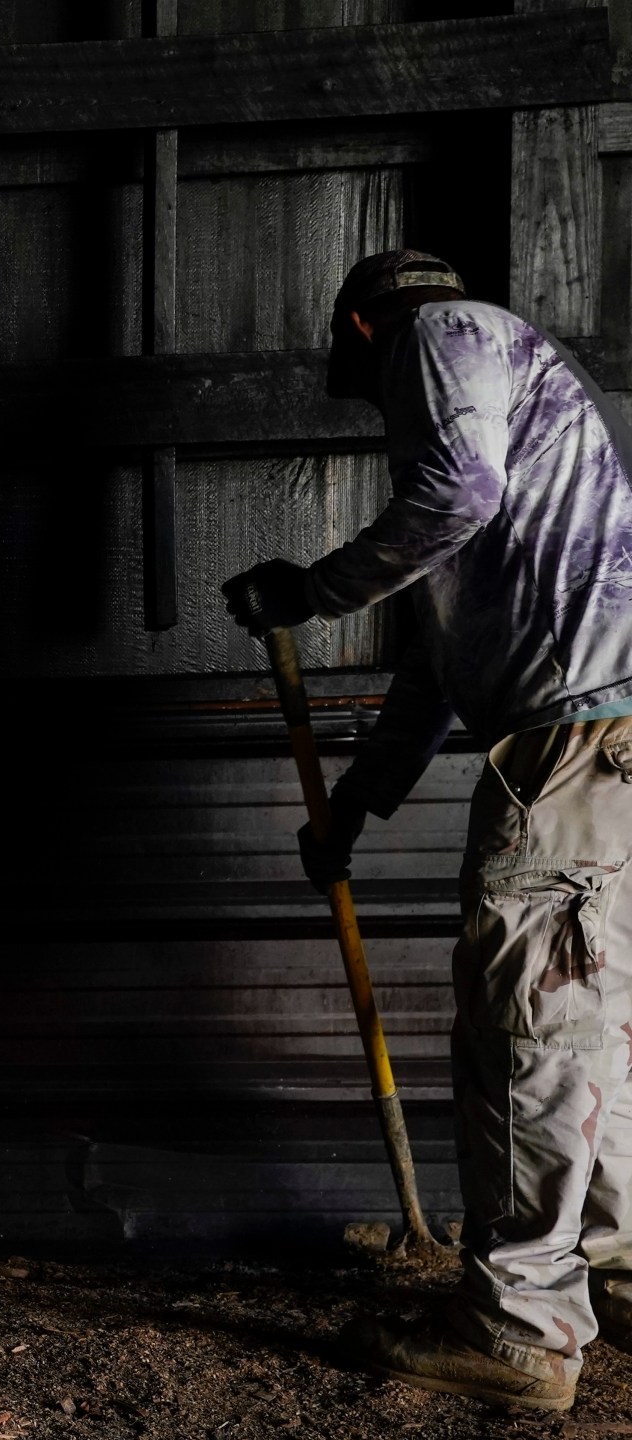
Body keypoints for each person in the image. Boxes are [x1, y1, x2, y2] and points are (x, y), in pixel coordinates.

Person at [224, 249, 632, 1412]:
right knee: (594, 1031)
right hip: (610, 748)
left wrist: (312, 589)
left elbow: (456, 494)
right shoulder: (518, 415)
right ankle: (610, 1269)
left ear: (359, 326)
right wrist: (357, 802)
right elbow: (445, 662)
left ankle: (520, 1327)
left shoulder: (438, 335)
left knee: (530, 1033)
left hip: (569, 751)